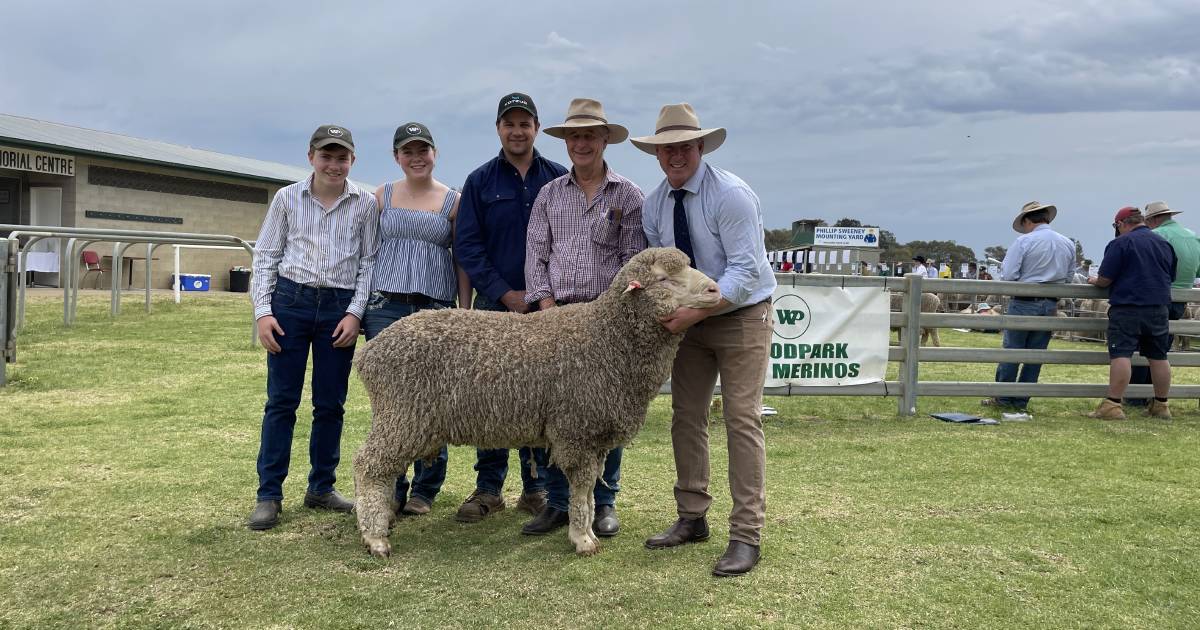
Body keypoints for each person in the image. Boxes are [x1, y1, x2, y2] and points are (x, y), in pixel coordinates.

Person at [632, 103, 776, 577]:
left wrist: (695, 310)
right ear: (657, 153)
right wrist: (664, 306)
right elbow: (661, 272)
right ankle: (692, 517)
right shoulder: (654, 205)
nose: (676, 155)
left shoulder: (730, 196)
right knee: (686, 416)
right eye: (667, 148)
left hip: (742, 315)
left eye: (684, 146)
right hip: (690, 322)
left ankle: (745, 535)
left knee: (741, 418)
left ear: (699, 147)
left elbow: (747, 269)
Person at [519, 98, 647, 538]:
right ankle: (558, 503)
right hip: (557, 318)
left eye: (590, 135)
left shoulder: (628, 196)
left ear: (604, 140)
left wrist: (614, 314)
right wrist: (546, 307)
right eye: (574, 136)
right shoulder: (550, 194)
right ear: (566, 141)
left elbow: (634, 264)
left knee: (605, 413)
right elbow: (535, 255)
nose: (581, 143)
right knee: (558, 413)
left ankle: (604, 502)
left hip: (608, 322)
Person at [247, 125, 379, 530]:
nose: (334, 164)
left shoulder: (365, 204)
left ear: (352, 161)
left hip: (338, 307)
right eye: (327, 156)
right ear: (311, 157)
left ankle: (321, 486)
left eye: (342, 157)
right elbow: (266, 255)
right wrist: (263, 312)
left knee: (330, 405)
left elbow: (368, 261)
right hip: (292, 302)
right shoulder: (287, 199)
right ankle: (269, 494)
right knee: (281, 402)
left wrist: (355, 313)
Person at [452, 92, 566, 522]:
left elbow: (563, 244)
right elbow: (468, 246)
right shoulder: (480, 181)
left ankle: (536, 488)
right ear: (498, 128)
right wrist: (505, 293)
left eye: (525, 123)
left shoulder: (557, 178)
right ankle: (488, 488)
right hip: (495, 306)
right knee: (492, 397)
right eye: (509, 124)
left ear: (536, 127)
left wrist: (538, 296)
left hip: (546, 308)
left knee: (540, 397)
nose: (517, 131)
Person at [361, 122, 471, 516]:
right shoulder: (381, 196)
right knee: (392, 403)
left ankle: (426, 488)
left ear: (434, 153)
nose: (416, 157)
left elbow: (461, 258)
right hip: (386, 306)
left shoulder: (453, 200)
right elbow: (368, 252)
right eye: (408, 151)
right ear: (397, 157)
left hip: (434, 308)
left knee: (435, 401)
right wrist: (359, 307)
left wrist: (463, 307)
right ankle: (391, 484)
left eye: (423, 150)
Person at [981, 201, 1075, 411]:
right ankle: (1022, 399)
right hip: (1050, 304)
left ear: (1027, 220)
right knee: (1036, 353)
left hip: (1023, 302)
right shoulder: (1067, 243)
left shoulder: (1024, 242)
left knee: (1012, 351)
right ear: (1047, 219)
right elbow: (1068, 278)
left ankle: (1003, 398)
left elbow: (1009, 275)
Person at [1086, 207, 1176, 419]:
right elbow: (1170, 275)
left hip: (1128, 306)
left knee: (1121, 354)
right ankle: (1161, 405)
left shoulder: (1121, 243)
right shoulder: (1164, 244)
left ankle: (1113, 405)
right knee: (1159, 356)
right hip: (1159, 307)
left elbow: (1105, 279)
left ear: (1121, 224)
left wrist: (1094, 281)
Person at [1127, 201, 1200, 405]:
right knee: (1161, 347)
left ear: (1153, 220)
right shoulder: (1193, 235)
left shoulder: (1156, 236)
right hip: (1182, 299)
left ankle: (1136, 396)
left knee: (1143, 346)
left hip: (1157, 296)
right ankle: (1156, 394)